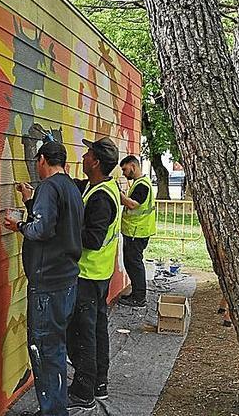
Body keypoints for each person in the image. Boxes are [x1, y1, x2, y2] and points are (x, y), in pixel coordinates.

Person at [3, 141, 84, 416]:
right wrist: (30, 201)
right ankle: (55, 407)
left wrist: (18, 225)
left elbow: (42, 229)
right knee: (55, 349)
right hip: (66, 282)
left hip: (48, 285)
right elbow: (57, 223)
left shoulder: (49, 187)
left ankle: (52, 411)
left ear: (42, 160)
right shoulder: (71, 186)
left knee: (45, 352)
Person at [67, 137, 122, 410]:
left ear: (96, 162)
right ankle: (99, 383)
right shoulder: (100, 187)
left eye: (88, 153)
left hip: (88, 276)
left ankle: (83, 392)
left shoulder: (101, 198)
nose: (84, 156)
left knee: (82, 334)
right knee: (98, 329)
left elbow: (93, 239)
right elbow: (80, 187)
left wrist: (64, 229)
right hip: (99, 274)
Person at [117, 155, 155, 308]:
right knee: (131, 263)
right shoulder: (139, 183)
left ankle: (139, 297)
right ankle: (136, 294)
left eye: (125, 169)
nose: (124, 173)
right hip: (135, 231)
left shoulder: (142, 185)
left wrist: (118, 193)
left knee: (134, 264)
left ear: (133, 166)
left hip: (137, 232)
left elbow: (132, 205)